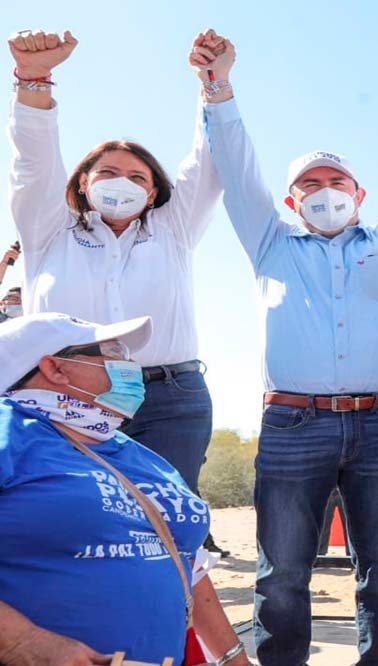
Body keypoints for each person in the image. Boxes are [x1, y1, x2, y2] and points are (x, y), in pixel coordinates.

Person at [201, 36, 378, 665]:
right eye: (310, 184)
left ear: (360, 193)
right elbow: (236, 168)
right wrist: (217, 88)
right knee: (282, 571)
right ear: (292, 201)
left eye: (336, 181)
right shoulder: (271, 242)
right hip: (293, 423)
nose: (325, 191)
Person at [8, 29, 229, 561]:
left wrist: (213, 83)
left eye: (136, 176)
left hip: (170, 399)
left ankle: (171, 614)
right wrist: (34, 81)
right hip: (64, 391)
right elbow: (33, 163)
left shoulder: (173, 230)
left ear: (152, 193)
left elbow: (209, 165)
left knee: (168, 528)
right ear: (83, 183)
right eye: (107, 172)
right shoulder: (47, 229)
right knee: (69, 521)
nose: (121, 182)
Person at [0, 313, 247, 666]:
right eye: (113, 352)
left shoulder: (137, 454)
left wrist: (233, 657)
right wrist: (20, 642)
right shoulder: (9, 434)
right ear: (55, 369)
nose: (131, 366)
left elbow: (183, 560)